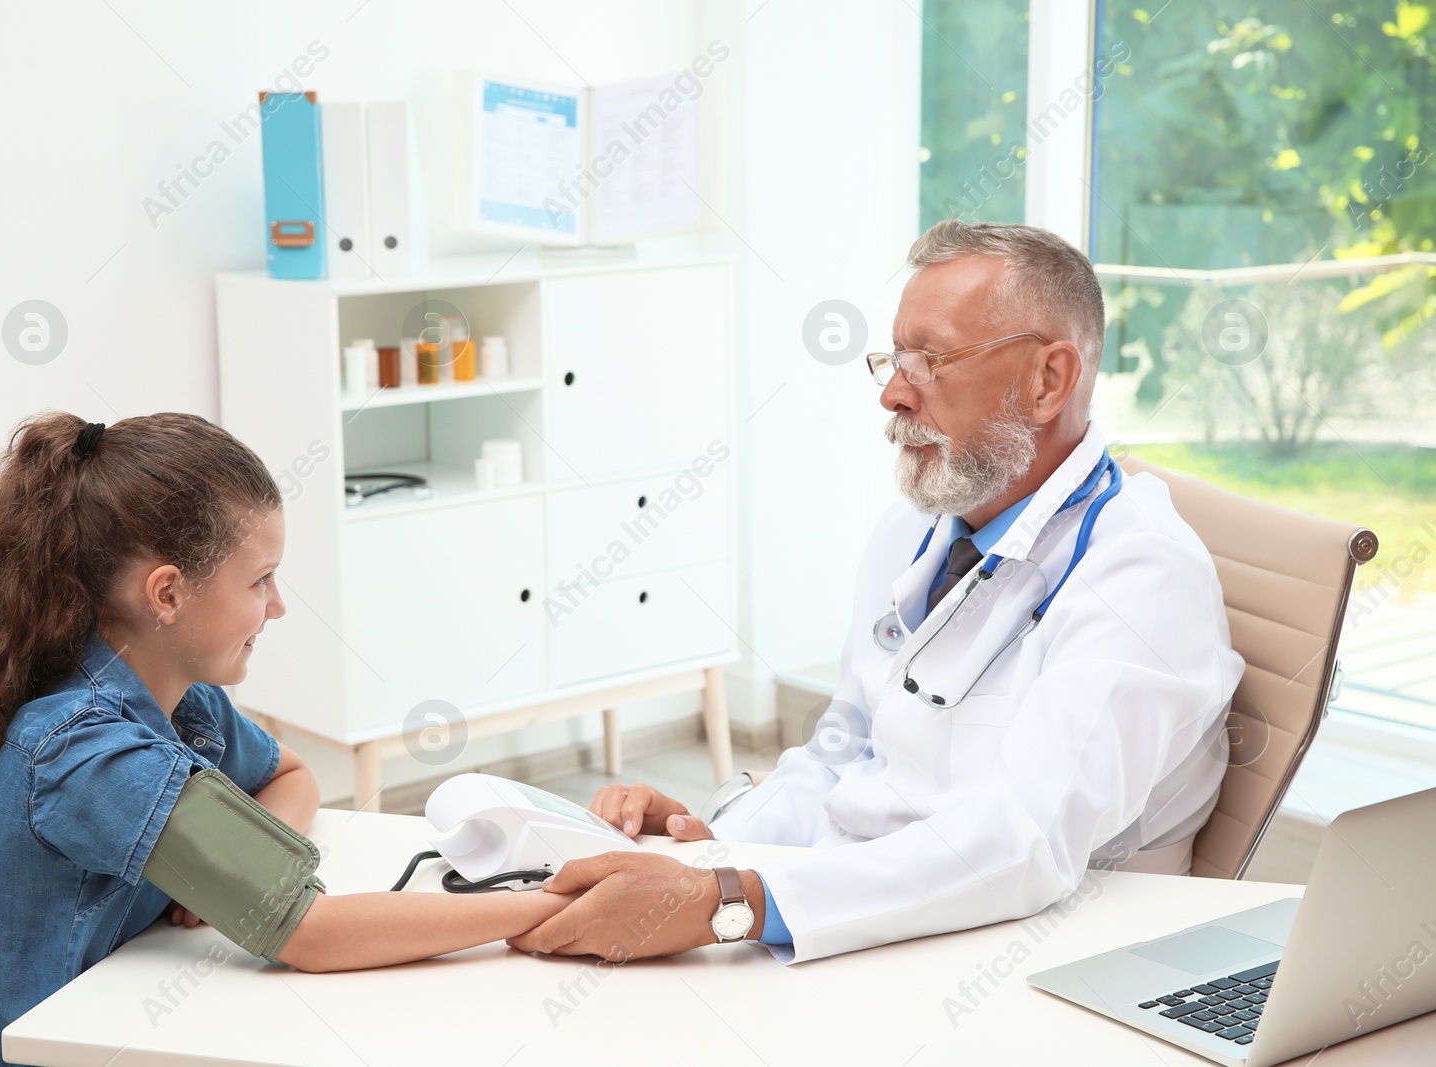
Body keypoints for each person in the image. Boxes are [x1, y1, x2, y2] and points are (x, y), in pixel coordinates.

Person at [508, 220, 1244, 965]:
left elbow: (1023, 840)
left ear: (1048, 380)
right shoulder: (916, 532)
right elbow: (845, 756)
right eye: (895, 359)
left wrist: (735, 903)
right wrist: (715, 841)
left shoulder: (1143, 576)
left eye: (931, 361)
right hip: (875, 917)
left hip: (1033, 956)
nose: (894, 393)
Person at [0, 412, 576, 1067]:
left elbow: (292, 775)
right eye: (259, 579)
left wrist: (250, 855)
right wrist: (543, 906)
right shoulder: (87, 752)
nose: (278, 605)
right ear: (169, 592)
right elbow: (311, 935)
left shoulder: (182, 698)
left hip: (145, 1023)